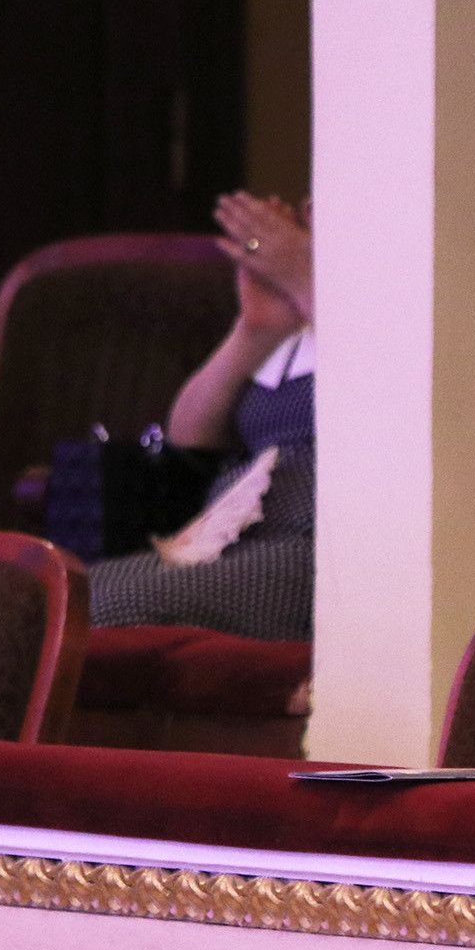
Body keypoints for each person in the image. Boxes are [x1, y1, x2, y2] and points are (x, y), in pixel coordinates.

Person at [88, 192, 316, 641]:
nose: (309, 214)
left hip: (320, 547)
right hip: (228, 538)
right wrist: (256, 328)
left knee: (111, 607)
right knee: (51, 596)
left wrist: (311, 282)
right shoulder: (301, 323)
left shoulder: (405, 321)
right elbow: (189, 435)